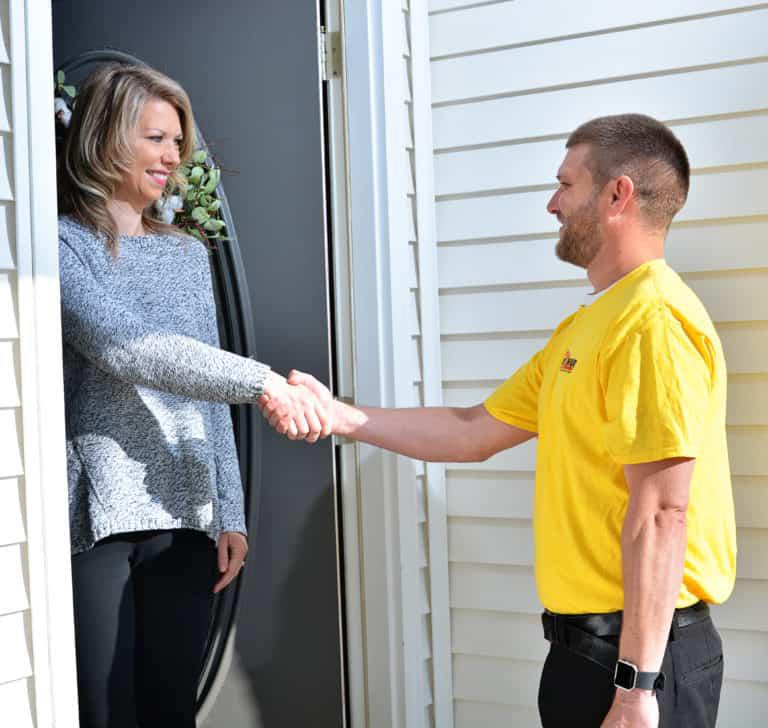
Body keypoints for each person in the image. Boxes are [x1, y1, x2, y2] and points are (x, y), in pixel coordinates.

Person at [270, 114, 737, 728]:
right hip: (586, 655)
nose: (552, 203)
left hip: (641, 663)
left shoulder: (650, 321)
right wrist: (340, 416)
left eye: (566, 185)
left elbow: (661, 512)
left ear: (617, 194)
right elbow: (472, 430)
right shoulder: (587, 327)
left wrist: (635, 689)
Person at [57, 62, 329, 728]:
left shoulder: (185, 254)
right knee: (105, 711)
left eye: (176, 142)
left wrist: (227, 512)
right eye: (154, 138)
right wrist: (263, 378)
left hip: (188, 514)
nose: (172, 156)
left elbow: (208, 393)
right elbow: (128, 347)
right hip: (102, 517)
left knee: (170, 709)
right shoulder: (63, 247)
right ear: (103, 136)